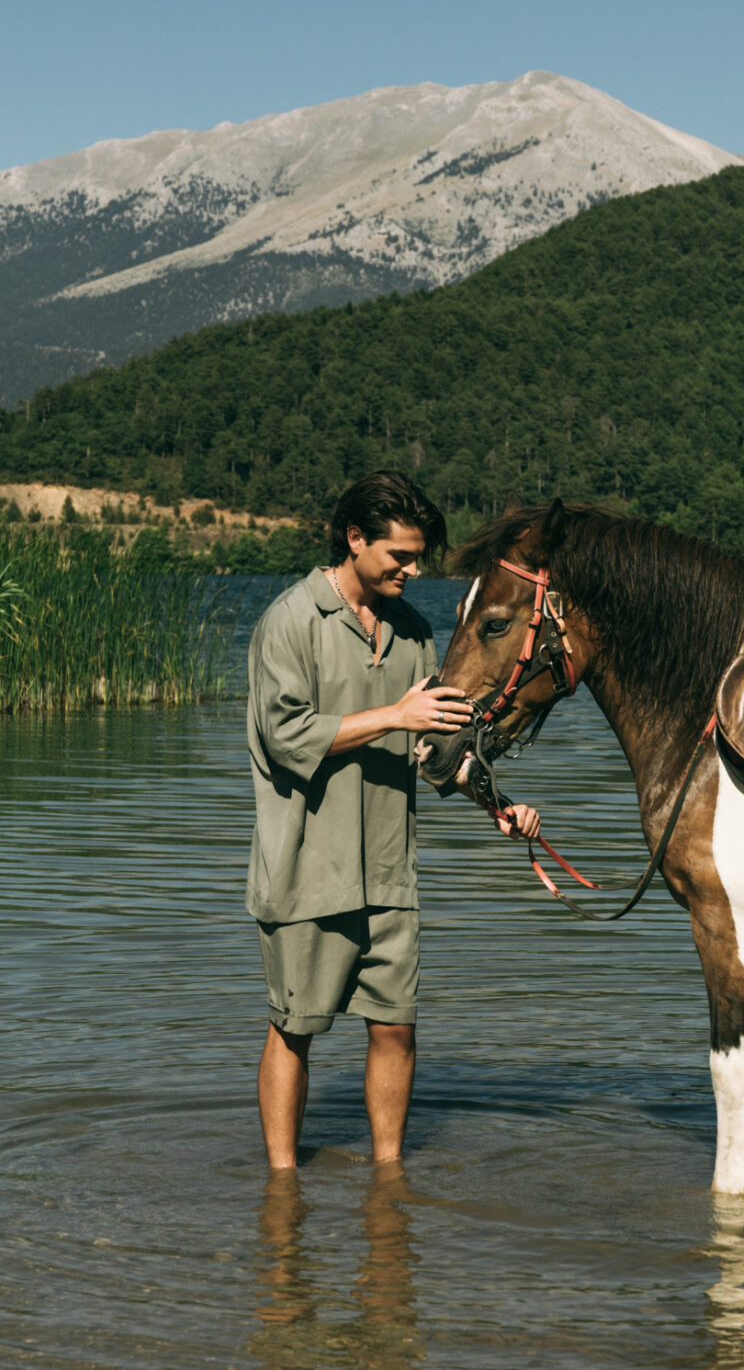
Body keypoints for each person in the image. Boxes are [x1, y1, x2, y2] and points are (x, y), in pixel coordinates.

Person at [247, 470, 539, 1170]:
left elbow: (430, 752)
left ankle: (389, 1181)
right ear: (355, 539)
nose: (412, 571)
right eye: (399, 556)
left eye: (417, 557)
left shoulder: (412, 632)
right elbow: (286, 738)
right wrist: (396, 714)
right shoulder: (291, 620)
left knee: (396, 1030)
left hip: (389, 875)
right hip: (306, 872)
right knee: (294, 1028)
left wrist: (496, 805)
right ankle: (281, 1187)